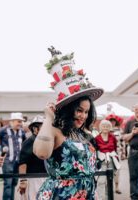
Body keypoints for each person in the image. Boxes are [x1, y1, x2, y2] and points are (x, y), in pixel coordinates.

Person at [33, 47, 104, 199]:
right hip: (60, 195)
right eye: (79, 110)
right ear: (67, 109)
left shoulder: (83, 134)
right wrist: (48, 118)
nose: (83, 116)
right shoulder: (54, 130)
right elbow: (41, 153)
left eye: (86, 112)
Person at [0, 112, 26, 200]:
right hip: (7, 161)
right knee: (8, 184)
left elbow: (24, 142)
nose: (20, 124)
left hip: (18, 161)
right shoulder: (3, 130)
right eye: (18, 121)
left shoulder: (21, 132)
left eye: (21, 122)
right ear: (12, 122)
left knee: (14, 183)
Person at [18, 115, 46, 200]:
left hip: (45, 177)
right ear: (35, 129)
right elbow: (23, 163)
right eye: (43, 127)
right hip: (33, 179)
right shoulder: (29, 142)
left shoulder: (45, 141)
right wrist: (23, 181)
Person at [95, 119, 120, 200]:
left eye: (107, 126)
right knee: (101, 181)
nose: (105, 128)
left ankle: (108, 197)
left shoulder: (112, 137)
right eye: (103, 126)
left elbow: (115, 148)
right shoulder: (97, 138)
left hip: (111, 160)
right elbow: (95, 150)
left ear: (110, 127)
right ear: (100, 127)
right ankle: (100, 198)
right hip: (101, 160)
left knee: (109, 181)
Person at [105, 114, 124, 194]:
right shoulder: (105, 129)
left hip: (117, 153)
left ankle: (116, 187)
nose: (112, 122)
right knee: (107, 169)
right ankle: (107, 187)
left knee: (117, 170)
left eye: (113, 121)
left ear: (115, 122)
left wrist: (123, 153)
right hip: (107, 153)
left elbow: (123, 142)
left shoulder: (119, 130)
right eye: (110, 121)